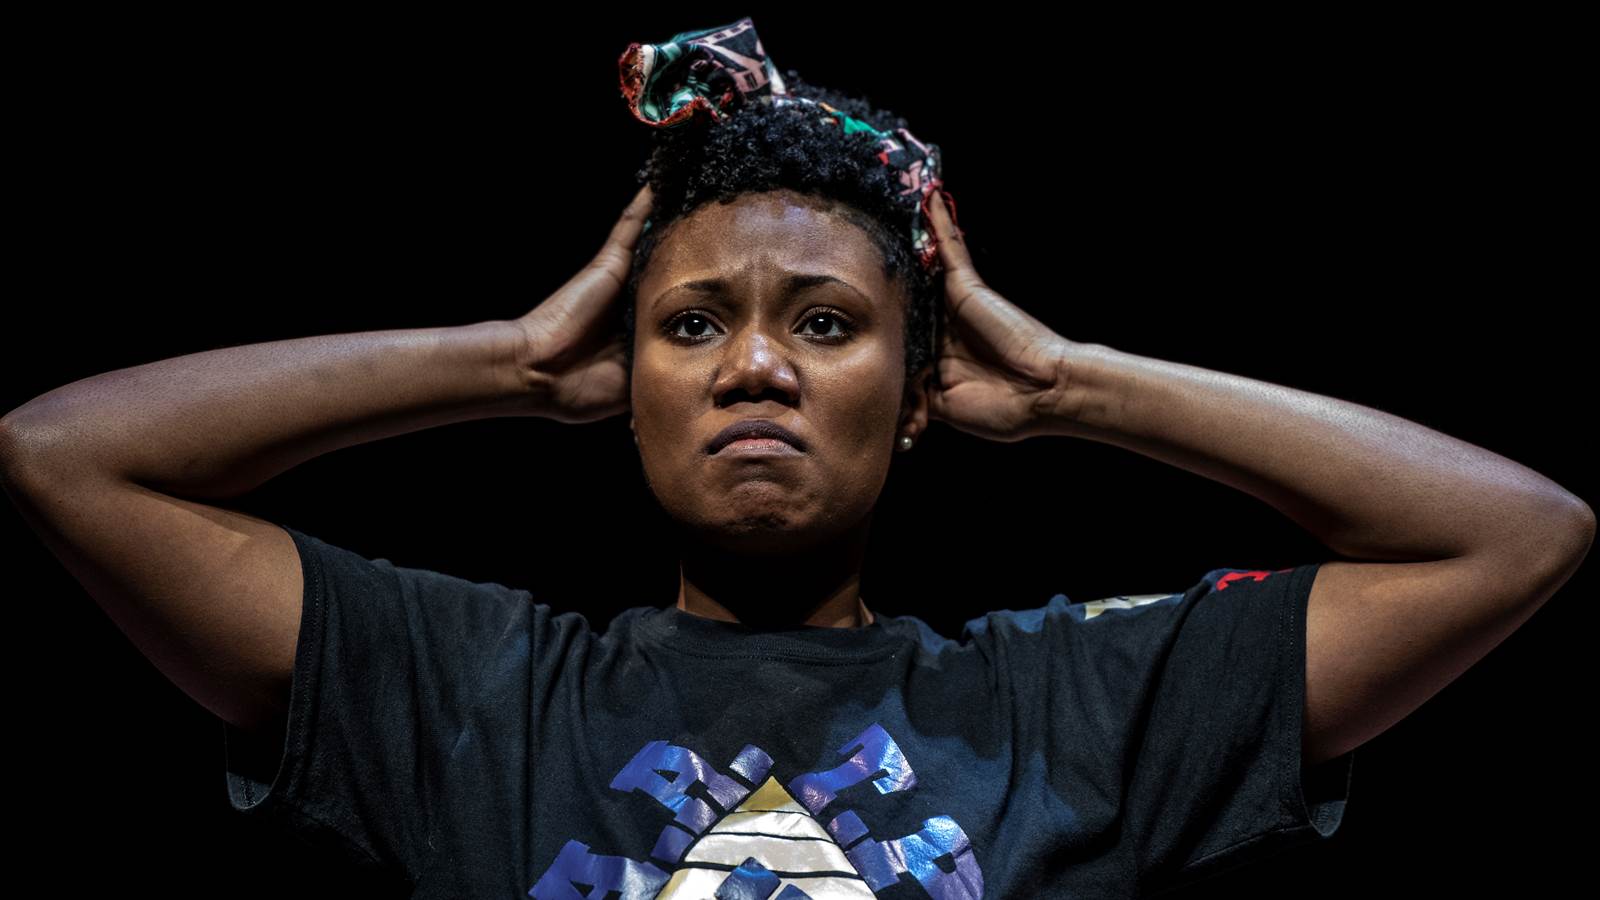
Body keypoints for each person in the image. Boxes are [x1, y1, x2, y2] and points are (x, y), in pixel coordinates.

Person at [0, 16, 1590, 899]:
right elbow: (70, 456)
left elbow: (1512, 537)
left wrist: (1071, 387)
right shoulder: (479, 690)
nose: (755, 361)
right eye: (691, 327)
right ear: (623, 388)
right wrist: (502, 360)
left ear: (918, 393)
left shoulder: (1066, 710)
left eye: (826, 326)